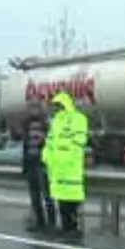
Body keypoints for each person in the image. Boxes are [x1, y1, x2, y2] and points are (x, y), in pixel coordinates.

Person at [41, 90, 89, 238]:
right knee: (61, 201)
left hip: (71, 168)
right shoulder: (56, 121)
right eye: (55, 106)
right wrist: (46, 158)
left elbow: (79, 141)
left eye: (58, 105)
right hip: (57, 168)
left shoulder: (78, 119)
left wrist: (65, 156)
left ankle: (73, 228)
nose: (56, 108)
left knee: (72, 201)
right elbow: (49, 141)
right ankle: (66, 226)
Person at [21, 100, 57, 232]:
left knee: (47, 195)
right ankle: (39, 221)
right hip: (30, 162)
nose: (33, 110)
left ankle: (51, 223)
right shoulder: (26, 124)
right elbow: (25, 145)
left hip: (42, 163)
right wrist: (24, 165)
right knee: (34, 195)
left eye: (36, 107)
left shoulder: (46, 124)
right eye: (31, 108)